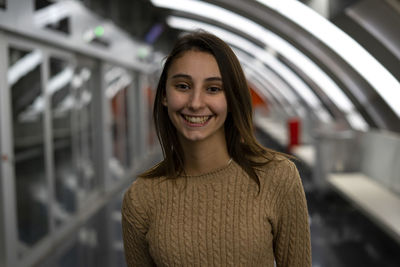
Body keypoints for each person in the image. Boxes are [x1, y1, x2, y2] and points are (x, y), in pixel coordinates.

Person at [121, 31, 311, 267]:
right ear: (164, 96)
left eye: (213, 89)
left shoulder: (278, 178)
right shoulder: (141, 198)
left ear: (231, 99)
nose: (196, 103)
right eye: (183, 86)